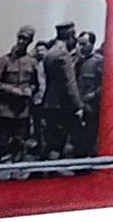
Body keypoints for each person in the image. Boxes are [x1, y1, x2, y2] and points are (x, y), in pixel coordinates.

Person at [0, 25, 39, 163]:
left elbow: (36, 83)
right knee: (0, 144)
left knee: (19, 143)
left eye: (25, 39)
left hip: (22, 112)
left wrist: (31, 89)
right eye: (20, 38)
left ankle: (16, 175)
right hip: (4, 111)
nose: (21, 41)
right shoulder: (4, 60)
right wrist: (12, 90)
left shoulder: (32, 62)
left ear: (30, 42)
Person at [37, 21, 82, 160]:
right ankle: (50, 173)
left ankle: (39, 171)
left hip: (50, 103)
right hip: (61, 105)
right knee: (58, 142)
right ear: (69, 35)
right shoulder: (63, 54)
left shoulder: (50, 52)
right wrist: (78, 105)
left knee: (50, 140)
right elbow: (69, 83)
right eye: (73, 34)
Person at [72, 30, 103, 158]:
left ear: (91, 44)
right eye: (79, 44)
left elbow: (104, 84)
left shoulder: (98, 61)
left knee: (89, 138)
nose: (80, 47)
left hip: (91, 107)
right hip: (78, 105)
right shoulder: (77, 62)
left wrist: (93, 95)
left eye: (84, 44)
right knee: (77, 139)